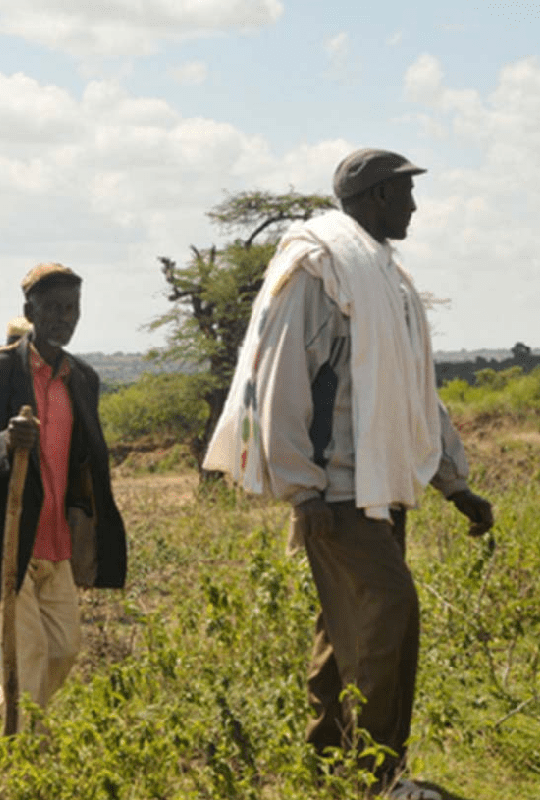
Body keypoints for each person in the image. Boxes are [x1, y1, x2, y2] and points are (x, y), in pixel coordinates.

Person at [203, 149, 494, 800]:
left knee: (342, 633)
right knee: (391, 609)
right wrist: (301, 488)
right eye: (403, 193)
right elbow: (283, 380)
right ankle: (380, 779)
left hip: (381, 488)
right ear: (374, 197)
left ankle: (326, 767)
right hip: (334, 495)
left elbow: (413, 389)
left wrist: (454, 482)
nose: (415, 207)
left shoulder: (380, 276)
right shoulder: (319, 271)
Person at [0, 262, 127, 737]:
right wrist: (4, 444)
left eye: (72, 309)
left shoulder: (81, 379)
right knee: (28, 659)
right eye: (53, 308)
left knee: (64, 650)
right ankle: (27, 762)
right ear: (30, 311)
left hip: (56, 541)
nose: (64, 318)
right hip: (6, 540)